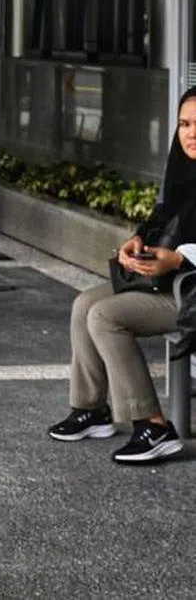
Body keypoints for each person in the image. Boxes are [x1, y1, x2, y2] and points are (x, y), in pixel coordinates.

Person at [48, 86, 196, 464]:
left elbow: (182, 248)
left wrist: (178, 260)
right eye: (184, 124)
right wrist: (138, 241)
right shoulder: (184, 171)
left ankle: (153, 425)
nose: (190, 133)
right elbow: (164, 218)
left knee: (106, 316)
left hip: (189, 289)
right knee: (84, 305)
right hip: (169, 281)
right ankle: (91, 410)